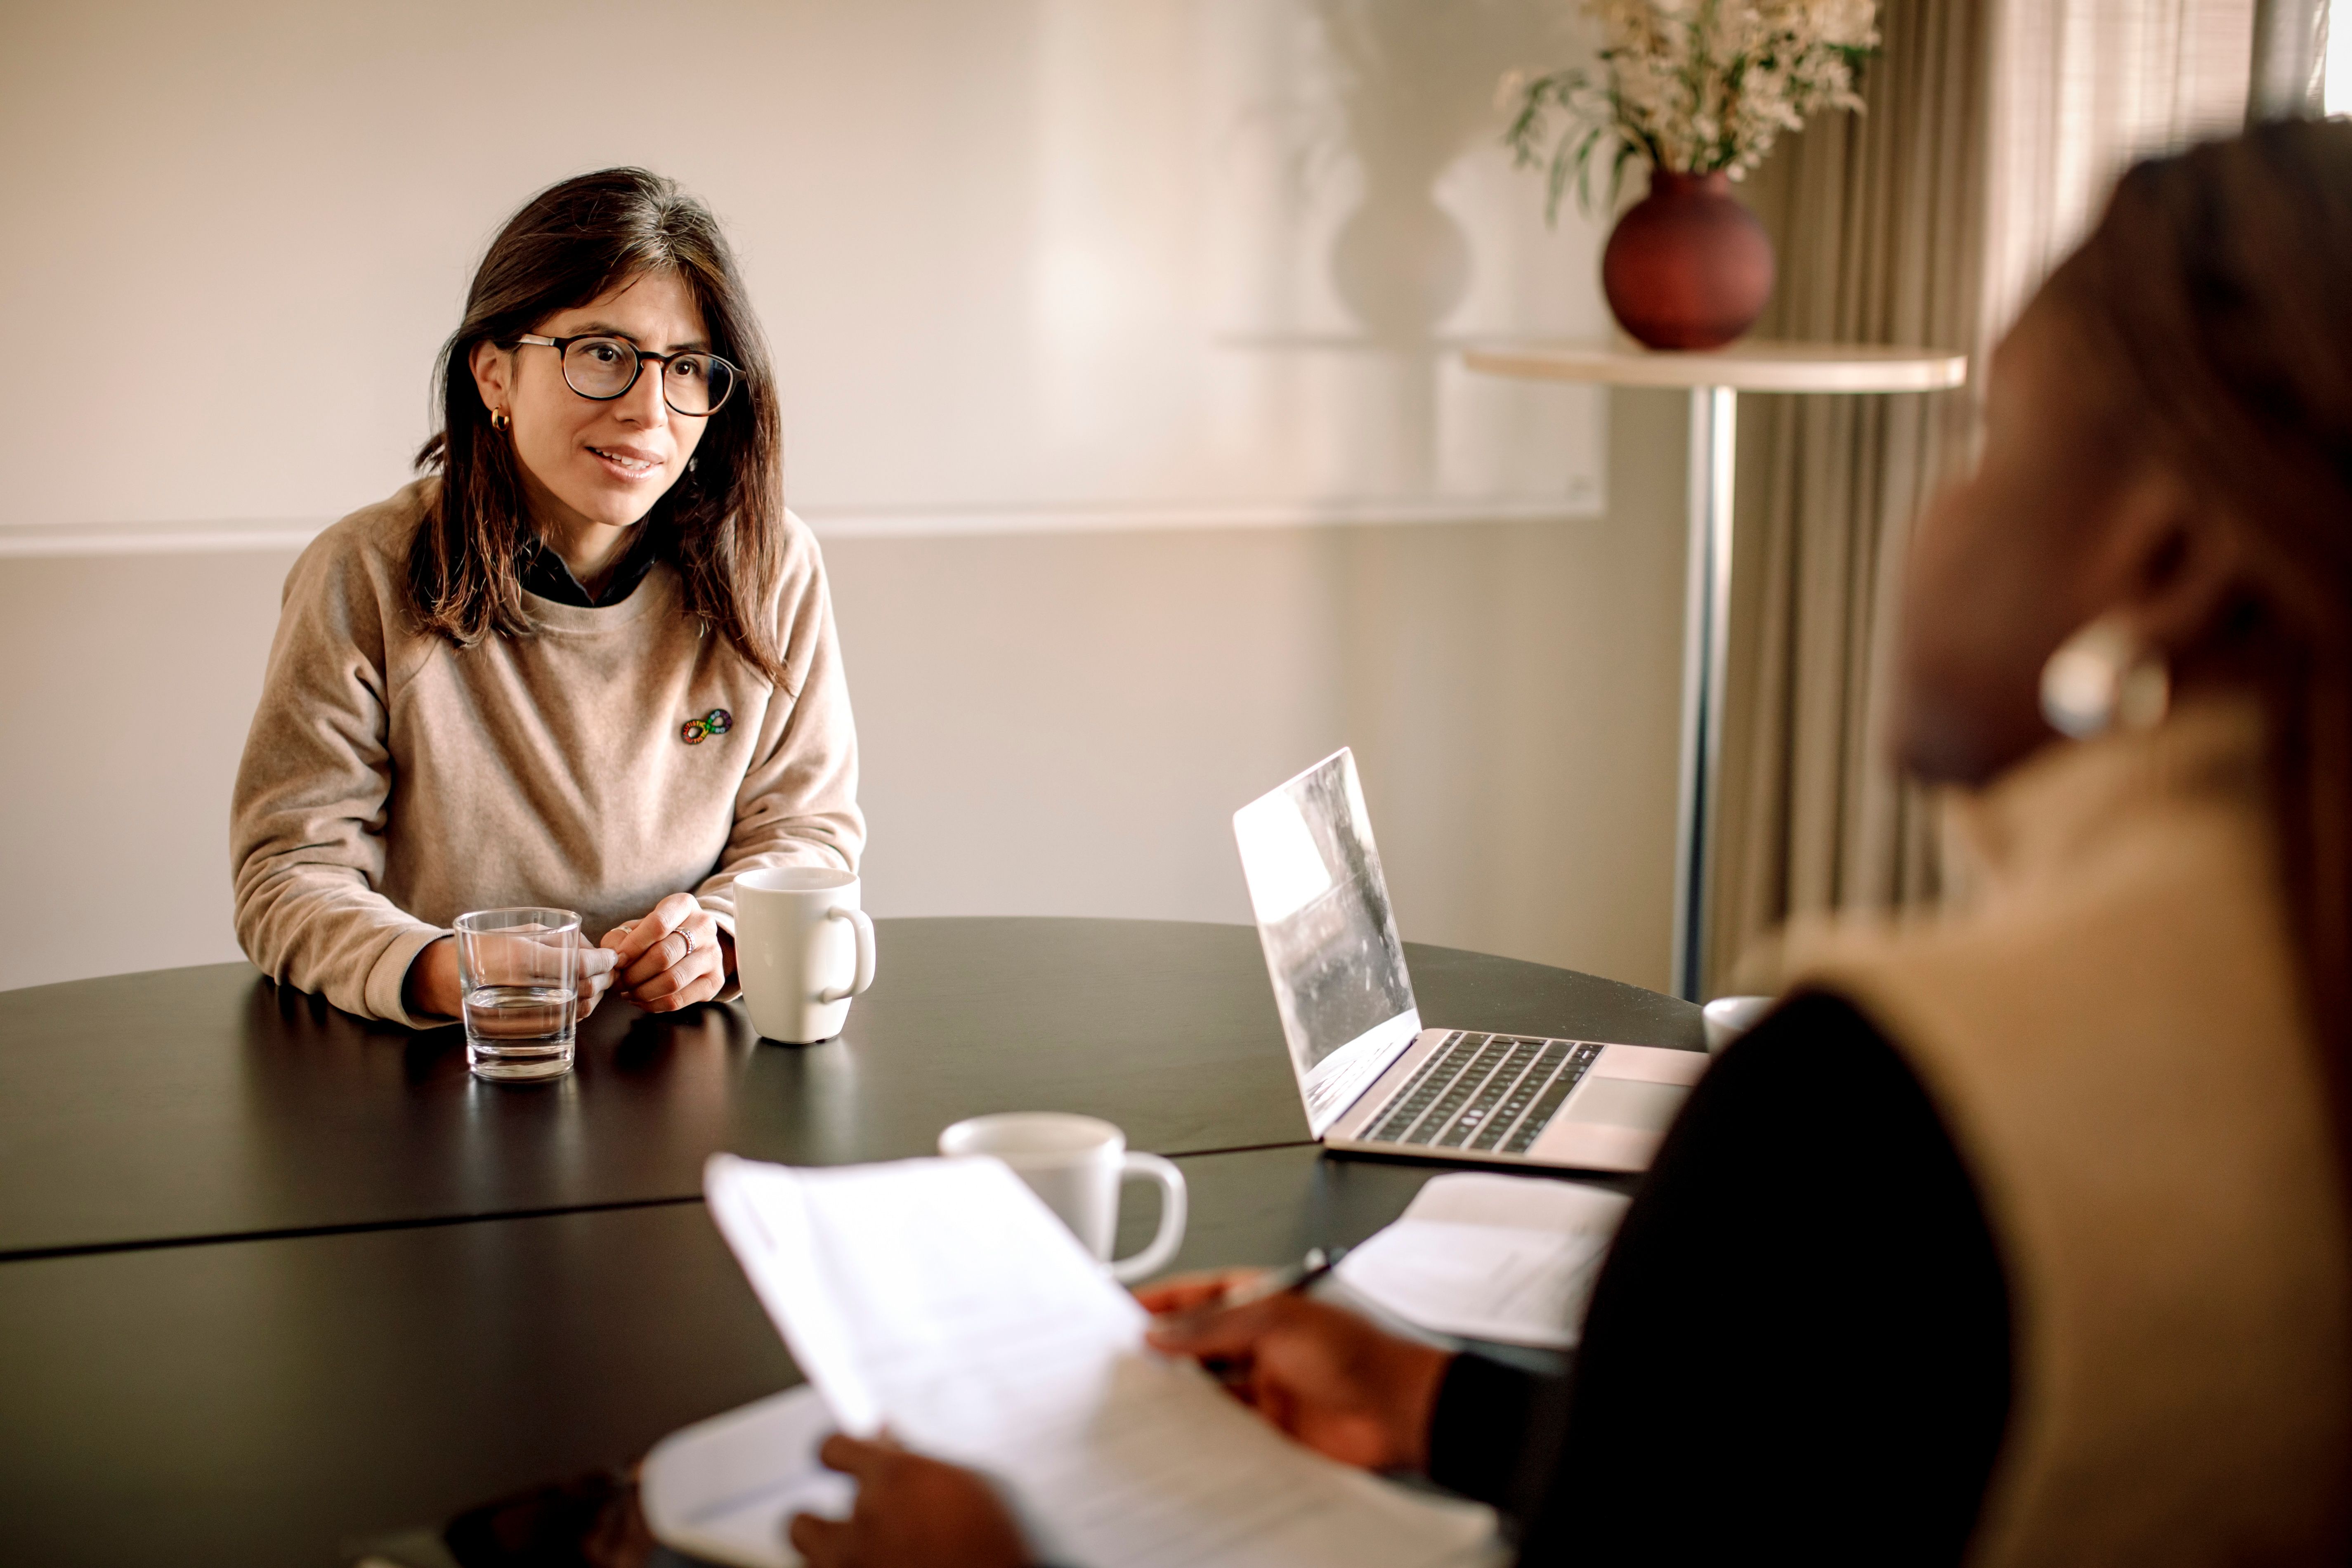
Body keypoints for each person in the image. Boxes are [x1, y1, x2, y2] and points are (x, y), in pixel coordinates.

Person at [782, 120, 2352, 1567]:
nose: (1935, 517)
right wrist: (1444, 1409)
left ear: (2163, 553)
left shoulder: (1880, 1112)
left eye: (1995, 440)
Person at [232, 169, 861, 1027]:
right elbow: (289, 876)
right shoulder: (362, 571)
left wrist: (716, 938)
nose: (650, 411)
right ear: (494, 374)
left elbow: (805, 834)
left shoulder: (771, 564)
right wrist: (444, 970)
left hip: (685, 1061)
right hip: (444, 1073)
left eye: (686, 368)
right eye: (603, 353)